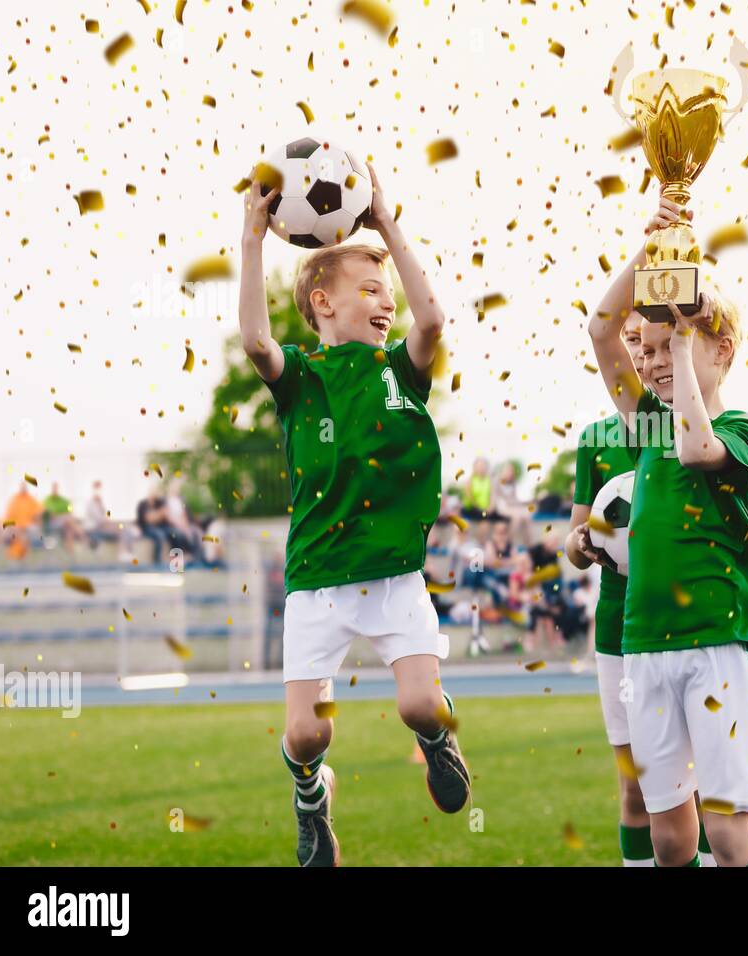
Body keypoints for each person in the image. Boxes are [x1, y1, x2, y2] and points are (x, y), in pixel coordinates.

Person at [240, 163, 468, 867]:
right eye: (368, 291)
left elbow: (432, 317)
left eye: (387, 295)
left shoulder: (402, 370)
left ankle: (438, 741)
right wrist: (252, 238)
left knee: (420, 708)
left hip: (396, 578)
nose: (384, 304)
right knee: (308, 737)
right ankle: (313, 798)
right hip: (317, 580)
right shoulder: (302, 380)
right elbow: (254, 340)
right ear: (322, 302)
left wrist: (388, 228)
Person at [588, 191, 748, 867]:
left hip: (714, 646)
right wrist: (649, 251)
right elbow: (600, 329)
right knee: (670, 842)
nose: (652, 360)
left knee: (726, 832)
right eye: (649, 349)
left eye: (672, 346)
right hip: (643, 646)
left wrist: (688, 333)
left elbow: (699, 449)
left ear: (719, 350)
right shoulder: (647, 429)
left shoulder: (738, 430)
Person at [2, 483, 43, 560]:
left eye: (25, 487)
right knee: (17, 535)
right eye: (22, 487)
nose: (23, 489)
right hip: (16, 527)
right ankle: (17, 554)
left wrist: (36, 521)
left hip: (29, 526)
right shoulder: (14, 500)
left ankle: (24, 554)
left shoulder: (32, 500)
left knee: (30, 532)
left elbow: (39, 513)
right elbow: (8, 516)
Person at [42, 482, 86, 553]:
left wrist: (64, 513)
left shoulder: (63, 500)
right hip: (53, 524)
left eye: (56, 488)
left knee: (69, 531)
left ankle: (70, 552)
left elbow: (70, 510)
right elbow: (50, 514)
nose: (55, 490)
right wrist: (61, 514)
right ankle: (84, 540)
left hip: (64, 523)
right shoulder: (47, 500)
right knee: (68, 520)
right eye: (54, 488)